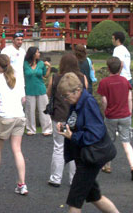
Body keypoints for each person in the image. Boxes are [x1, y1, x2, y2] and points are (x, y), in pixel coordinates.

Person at [57, 72, 120, 213]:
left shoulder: (88, 103)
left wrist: (73, 136)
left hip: (91, 158)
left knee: (74, 202)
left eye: (66, 96)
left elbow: (95, 134)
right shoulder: (76, 102)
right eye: (63, 96)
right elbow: (77, 123)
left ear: (77, 90)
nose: (65, 99)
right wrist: (65, 126)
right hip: (84, 157)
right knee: (95, 197)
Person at [0, 53, 29, 195]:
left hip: (4, 117)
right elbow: (23, 99)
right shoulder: (17, 78)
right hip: (19, 116)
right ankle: (22, 184)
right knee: (17, 150)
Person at [96, 57, 133, 180]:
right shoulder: (125, 81)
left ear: (108, 68)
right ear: (120, 67)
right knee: (126, 142)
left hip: (111, 116)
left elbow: (104, 100)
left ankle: (107, 165)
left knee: (109, 141)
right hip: (125, 115)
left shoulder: (104, 82)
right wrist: (129, 112)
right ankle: (132, 166)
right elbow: (130, 98)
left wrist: (105, 111)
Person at [48, 53, 81, 187]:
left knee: (59, 147)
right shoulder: (81, 78)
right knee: (75, 147)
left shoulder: (55, 78)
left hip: (60, 116)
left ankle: (56, 177)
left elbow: (48, 93)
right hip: (76, 117)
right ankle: (74, 178)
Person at [23, 46, 53, 136]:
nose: (39, 54)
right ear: (32, 54)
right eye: (37, 52)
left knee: (44, 110)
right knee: (29, 110)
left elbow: (45, 76)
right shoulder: (24, 64)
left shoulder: (41, 64)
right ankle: (31, 129)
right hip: (29, 90)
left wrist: (49, 67)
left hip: (41, 89)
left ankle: (47, 129)